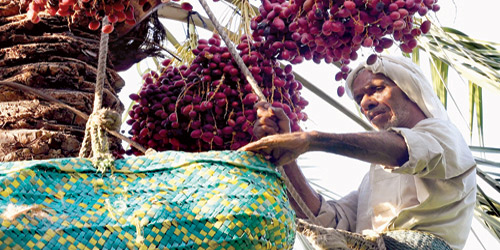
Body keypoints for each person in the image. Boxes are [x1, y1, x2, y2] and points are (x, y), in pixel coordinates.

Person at [240, 55, 476, 250]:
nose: (366, 103)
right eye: (360, 97)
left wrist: (312, 140)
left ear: (408, 89)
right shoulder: (374, 179)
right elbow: (325, 220)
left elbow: (406, 150)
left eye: (376, 89)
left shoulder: (444, 135)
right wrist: (285, 156)